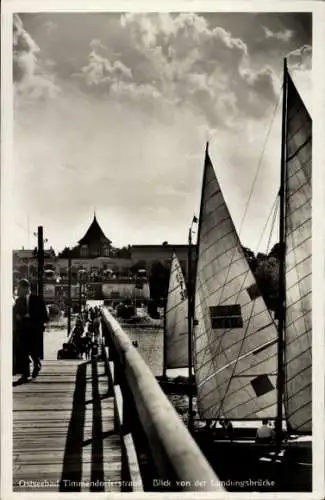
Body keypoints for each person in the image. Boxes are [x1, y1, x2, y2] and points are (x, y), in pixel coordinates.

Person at [13, 279, 49, 383]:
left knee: (33, 351)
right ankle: (25, 373)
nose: (18, 290)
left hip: (34, 329)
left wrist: (33, 318)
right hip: (23, 329)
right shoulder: (18, 301)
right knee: (23, 351)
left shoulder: (37, 299)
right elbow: (14, 313)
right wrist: (17, 317)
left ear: (26, 288)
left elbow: (45, 317)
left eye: (19, 288)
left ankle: (36, 364)